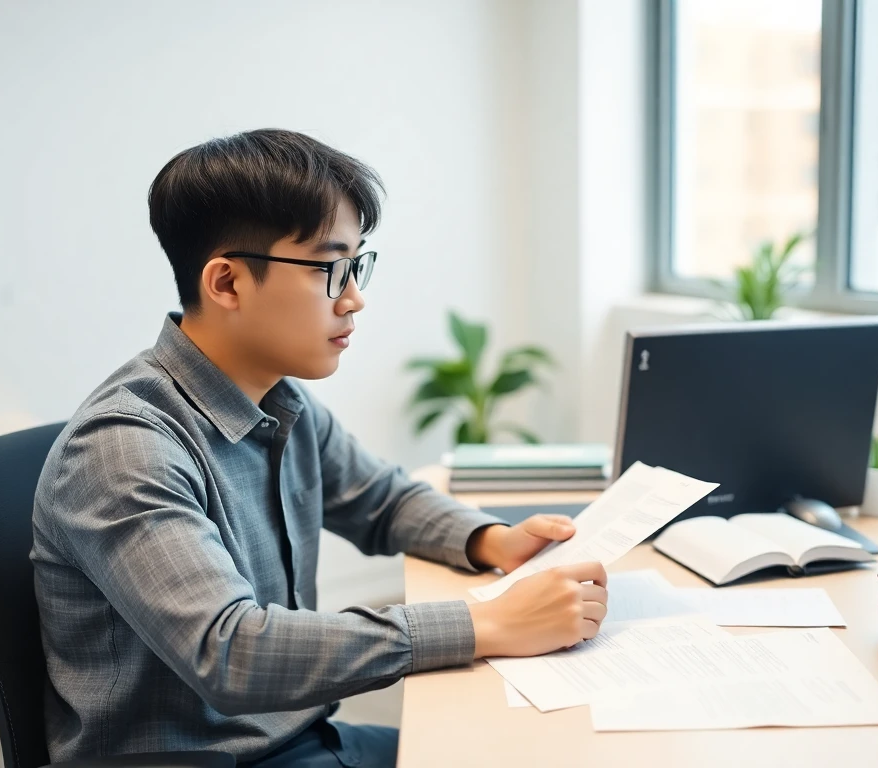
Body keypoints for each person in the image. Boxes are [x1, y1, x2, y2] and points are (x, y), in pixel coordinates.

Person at [30, 129, 609, 768]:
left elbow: (380, 498)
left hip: (297, 739)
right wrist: (486, 624)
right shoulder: (123, 450)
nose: (354, 298)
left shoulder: (280, 401)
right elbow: (230, 652)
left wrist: (490, 540)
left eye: (358, 263)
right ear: (226, 282)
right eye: (330, 268)